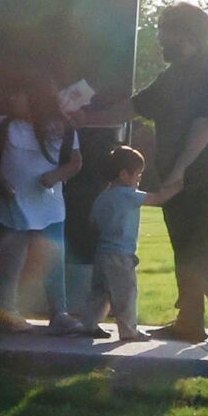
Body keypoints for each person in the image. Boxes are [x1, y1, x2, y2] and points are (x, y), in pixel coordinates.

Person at [77, 2, 208, 342]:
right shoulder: (172, 76)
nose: (160, 38)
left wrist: (179, 171)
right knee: (184, 242)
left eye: (165, 31)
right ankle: (189, 321)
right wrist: (84, 119)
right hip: (181, 168)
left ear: (186, 34)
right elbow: (132, 107)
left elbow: (204, 125)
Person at [0, 68, 91, 335]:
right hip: (12, 205)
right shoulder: (7, 128)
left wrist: (56, 175)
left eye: (18, 95)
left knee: (52, 258)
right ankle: (7, 309)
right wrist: (0, 181)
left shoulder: (62, 129)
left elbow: (76, 162)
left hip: (49, 206)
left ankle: (60, 313)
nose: (12, 100)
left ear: (36, 98)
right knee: (12, 258)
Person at [83, 146, 150, 342]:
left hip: (102, 252)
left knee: (100, 292)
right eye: (138, 174)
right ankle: (129, 330)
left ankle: (89, 325)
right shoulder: (129, 194)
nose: (139, 179)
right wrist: (176, 186)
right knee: (126, 292)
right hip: (121, 254)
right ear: (123, 174)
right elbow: (158, 198)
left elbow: (93, 221)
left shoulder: (103, 197)